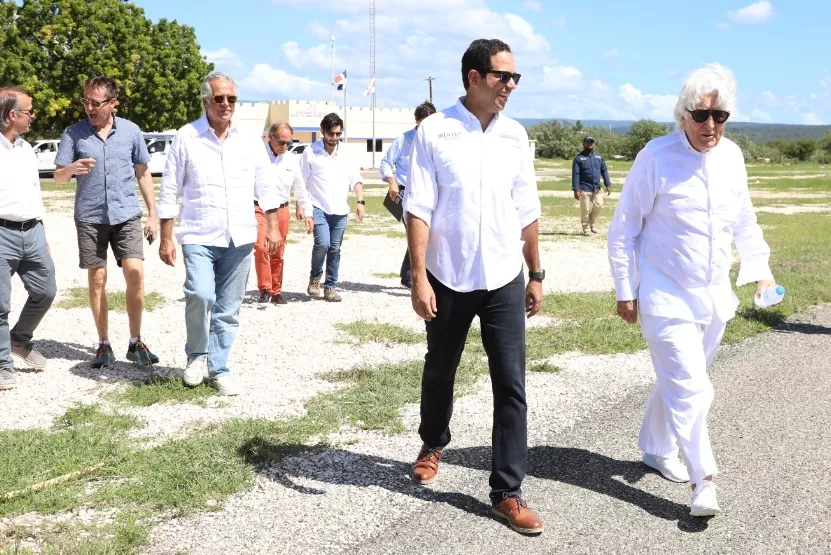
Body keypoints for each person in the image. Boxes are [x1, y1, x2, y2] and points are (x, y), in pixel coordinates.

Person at [607, 63, 776, 517]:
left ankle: (655, 447)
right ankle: (705, 481)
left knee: (682, 379)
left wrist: (761, 271)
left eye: (720, 117)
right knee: (693, 389)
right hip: (664, 293)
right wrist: (626, 288)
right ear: (683, 114)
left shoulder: (733, 157)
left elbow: (744, 221)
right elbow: (624, 228)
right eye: (701, 116)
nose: (710, 126)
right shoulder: (656, 157)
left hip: (714, 296)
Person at [405, 38, 544, 535]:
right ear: (473, 77)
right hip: (448, 276)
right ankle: (433, 441)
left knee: (511, 383)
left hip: (504, 275)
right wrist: (419, 277)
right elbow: (418, 206)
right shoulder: (435, 132)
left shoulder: (515, 136)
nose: (510, 86)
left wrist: (536, 272)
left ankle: (508, 491)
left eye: (514, 78)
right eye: (502, 77)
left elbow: (526, 209)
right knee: (441, 367)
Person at [157, 71, 286, 396]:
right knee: (201, 295)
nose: (226, 104)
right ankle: (197, 357)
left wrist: (271, 225)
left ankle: (220, 367)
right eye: (219, 98)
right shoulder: (187, 137)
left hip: (240, 236)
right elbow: (170, 187)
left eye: (231, 98)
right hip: (199, 233)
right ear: (205, 101)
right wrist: (166, 235)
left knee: (228, 308)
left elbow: (264, 182)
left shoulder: (248, 138)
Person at [54, 76, 159, 369]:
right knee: (97, 279)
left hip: (126, 214)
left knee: (135, 274)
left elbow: (143, 173)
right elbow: (59, 177)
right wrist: (72, 168)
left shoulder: (131, 131)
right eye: (85, 100)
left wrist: (152, 215)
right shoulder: (74, 134)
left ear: (112, 103)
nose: (89, 107)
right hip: (90, 217)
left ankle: (135, 341)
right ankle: (103, 344)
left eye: (95, 102)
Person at [0, 86, 57, 390]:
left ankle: (19, 340)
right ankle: (1, 364)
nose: (34, 115)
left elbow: (34, 192)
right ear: (12, 115)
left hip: (32, 231)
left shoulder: (26, 149)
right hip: (1, 233)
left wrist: (43, 231)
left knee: (45, 290)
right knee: (0, 304)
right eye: (29, 111)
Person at [299, 113, 365, 303]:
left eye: (338, 134)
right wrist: (301, 207)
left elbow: (356, 179)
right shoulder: (310, 152)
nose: (334, 138)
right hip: (317, 206)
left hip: (340, 210)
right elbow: (302, 181)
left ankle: (330, 287)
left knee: (335, 248)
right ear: (322, 132)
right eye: (331, 134)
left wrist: (360, 202)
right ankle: (315, 277)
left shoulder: (347, 153)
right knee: (323, 244)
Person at [379, 101, 437, 289]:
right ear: (416, 120)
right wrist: (391, 181)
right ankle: (413, 277)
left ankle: (409, 275)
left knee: (428, 234)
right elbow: (386, 163)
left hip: (430, 192)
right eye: (422, 125)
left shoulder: (438, 139)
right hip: (406, 194)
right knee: (417, 231)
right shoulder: (403, 140)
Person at [255, 122, 313, 307]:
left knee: (278, 251)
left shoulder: (291, 160)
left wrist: (308, 212)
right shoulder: (257, 157)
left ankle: (276, 291)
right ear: (270, 137)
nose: (285, 146)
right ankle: (264, 288)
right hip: (259, 209)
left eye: (289, 142)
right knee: (262, 247)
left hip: (281, 209)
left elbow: (301, 189)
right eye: (281, 142)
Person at [572, 136, 611, 235]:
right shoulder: (579, 158)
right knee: (585, 209)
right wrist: (576, 189)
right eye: (588, 142)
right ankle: (586, 227)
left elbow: (604, 170)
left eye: (591, 142)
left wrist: (608, 184)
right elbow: (576, 174)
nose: (590, 144)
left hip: (597, 187)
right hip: (584, 188)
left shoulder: (598, 157)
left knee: (599, 205)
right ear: (584, 144)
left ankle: (592, 223)